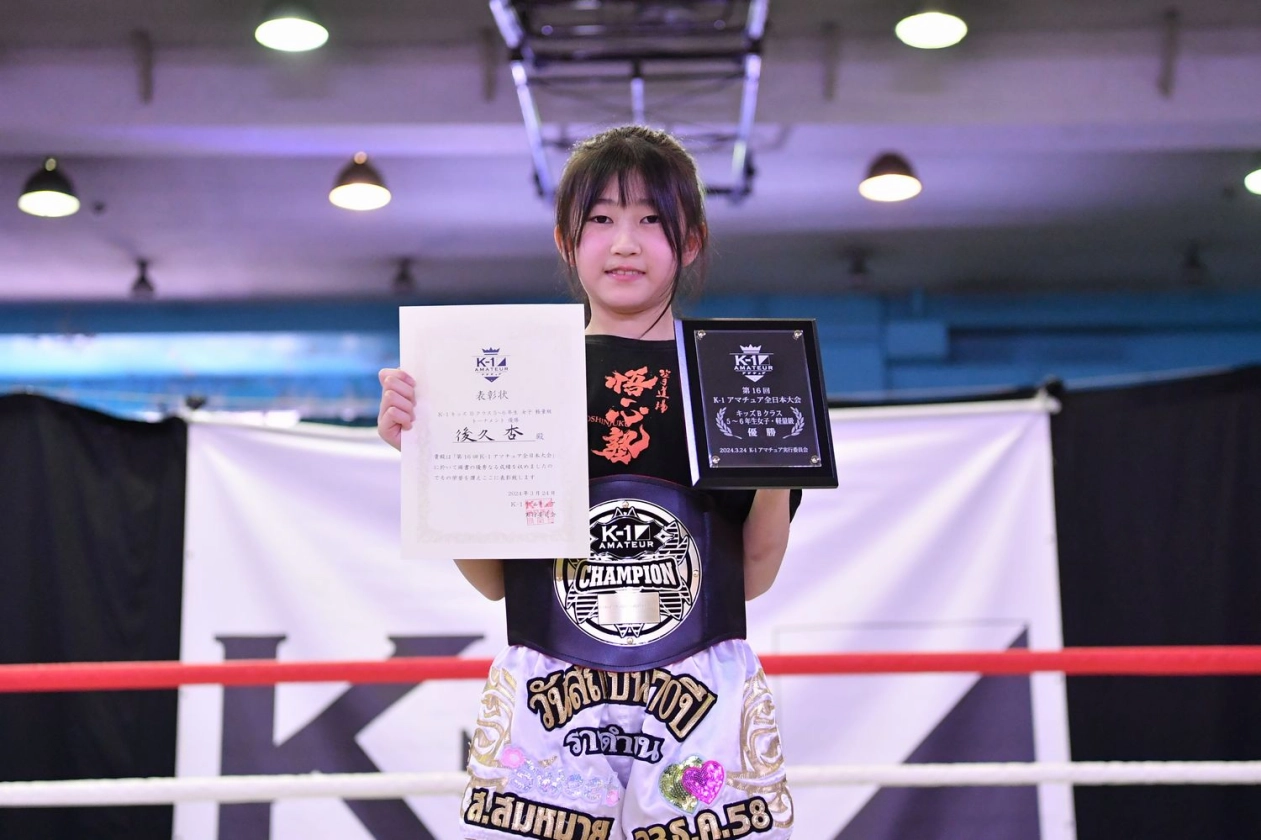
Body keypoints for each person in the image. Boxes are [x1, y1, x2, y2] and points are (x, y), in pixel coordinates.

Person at [378, 125, 799, 840]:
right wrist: (429, 456)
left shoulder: (734, 375)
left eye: (651, 220)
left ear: (690, 241)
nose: (624, 243)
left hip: (701, 691)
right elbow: (493, 580)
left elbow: (753, 576)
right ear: (565, 241)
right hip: (550, 690)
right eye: (600, 219)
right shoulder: (517, 377)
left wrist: (780, 444)